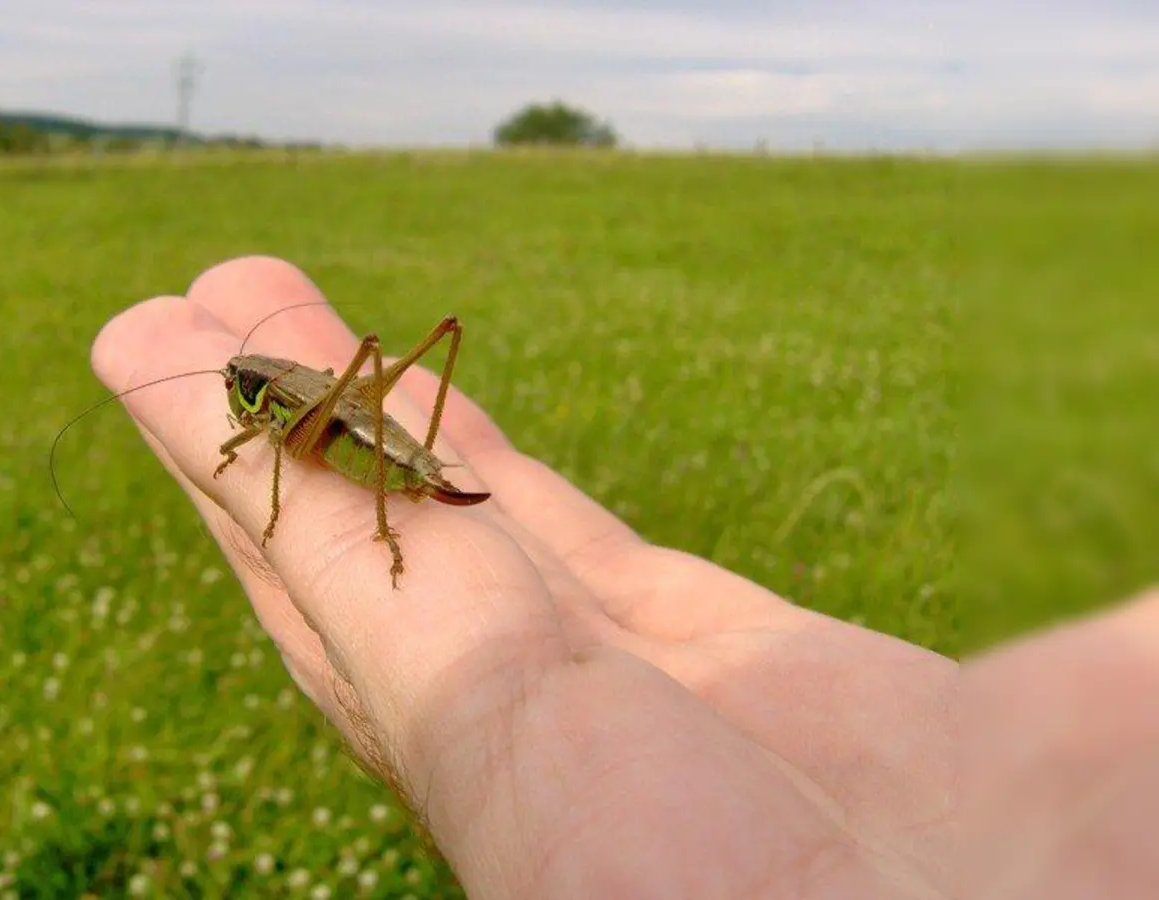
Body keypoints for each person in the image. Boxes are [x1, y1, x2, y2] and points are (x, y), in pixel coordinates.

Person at [89, 256, 1158, 899]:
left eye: (246, 401)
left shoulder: (281, 413)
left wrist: (275, 457)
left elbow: (280, 449)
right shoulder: (267, 398)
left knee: (290, 465)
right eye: (250, 401)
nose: (245, 410)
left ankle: (391, 519)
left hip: (366, 447)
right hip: (353, 421)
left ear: (256, 392)